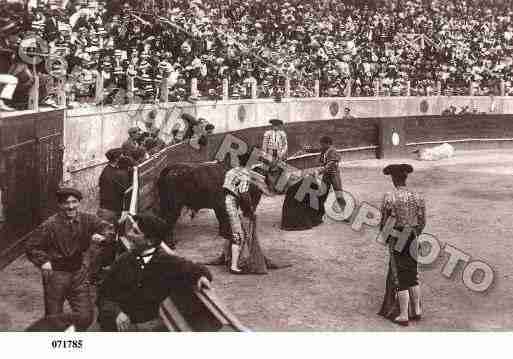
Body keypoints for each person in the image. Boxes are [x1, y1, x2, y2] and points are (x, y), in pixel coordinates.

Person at [96, 214, 213, 331]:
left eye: (136, 232)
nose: (129, 234)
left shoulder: (165, 262)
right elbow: (103, 295)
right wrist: (117, 313)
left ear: (150, 241)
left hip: (148, 325)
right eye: (132, 229)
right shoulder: (123, 260)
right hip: (117, 325)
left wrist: (202, 276)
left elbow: (195, 268)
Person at [25, 188, 112, 331]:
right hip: (56, 276)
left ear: (79, 203)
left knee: (85, 316)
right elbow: (31, 246)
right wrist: (43, 261)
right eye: (66, 203)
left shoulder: (87, 219)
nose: (71, 206)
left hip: (79, 274)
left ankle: (71, 335)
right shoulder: (50, 225)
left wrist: (103, 237)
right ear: (60, 205)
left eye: (74, 202)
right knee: (53, 317)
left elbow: (107, 228)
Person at [378, 164, 426, 327]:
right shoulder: (417, 195)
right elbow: (422, 221)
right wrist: (415, 234)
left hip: (398, 236)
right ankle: (417, 310)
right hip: (412, 235)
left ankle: (404, 314)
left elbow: (384, 221)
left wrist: (386, 238)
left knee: (400, 275)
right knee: (412, 273)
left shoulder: (389, 196)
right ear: (406, 177)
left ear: (393, 178)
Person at [318, 136, 346, 215]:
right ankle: (320, 211)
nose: (321, 146)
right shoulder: (325, 150)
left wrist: (320, 170)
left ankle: (345, 213)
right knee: (322, 193)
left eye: (323, 144)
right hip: (326, 175)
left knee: (338, 193)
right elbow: (318, 153)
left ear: (328, 144)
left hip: (334, 175)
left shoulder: (333, 151)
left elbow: (331, 163)